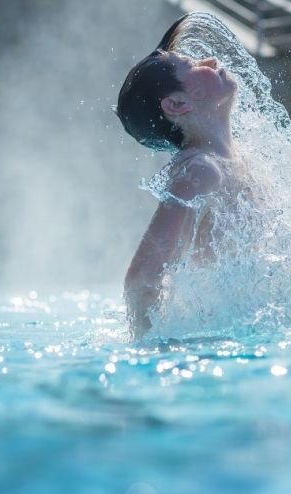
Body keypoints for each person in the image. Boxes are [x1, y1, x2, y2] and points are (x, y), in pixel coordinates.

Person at [115, 15, 239, 338]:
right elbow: (140, 280)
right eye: (191, 64)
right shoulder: (200, 172)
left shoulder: (229, 161)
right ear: (177, 103)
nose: (211, 61)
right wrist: (156, 353)